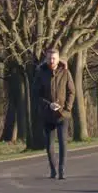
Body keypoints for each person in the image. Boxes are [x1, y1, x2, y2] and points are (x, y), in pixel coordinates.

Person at [34, 48, 76, 180]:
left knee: (63, 141)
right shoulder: (41, 73)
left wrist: (67, 109)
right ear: (46, 59)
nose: (52, 61)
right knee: (49, 144)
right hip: (47, 114)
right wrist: (48, 105)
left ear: (58, 59)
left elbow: (71, 92)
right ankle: (53, 169)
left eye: (54, 58)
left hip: (62, 114)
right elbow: (36, 94)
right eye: (49, 58)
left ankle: (62, 169)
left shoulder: (65, 72)